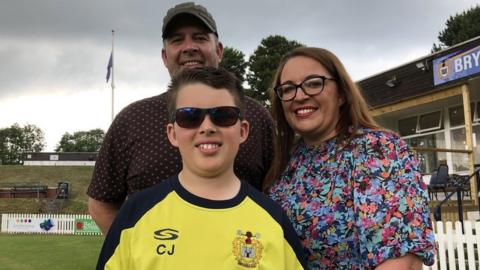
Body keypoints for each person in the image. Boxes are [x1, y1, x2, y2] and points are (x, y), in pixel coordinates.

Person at [87, 2, 274, 235]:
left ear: (219, 50)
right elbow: (101, 202)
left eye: (200, 38)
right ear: (165, 56)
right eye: (177, 40)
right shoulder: (132, 119)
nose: (189, 47)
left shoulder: (256, 115)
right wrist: (134, 250)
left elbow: (274, 193)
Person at [95, 67, 306, 270]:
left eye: (224, 115)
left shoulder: (273, 220)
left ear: (242, 131)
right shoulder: (136, 214)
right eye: (189, 116)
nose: (207, 127)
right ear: (172, 134)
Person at [264, 47, 436, 269]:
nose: (299, 95)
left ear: (341, 94)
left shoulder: (378, 151)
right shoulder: (285, 163)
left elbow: (402, 261)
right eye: (288, 89)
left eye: (314, 83)